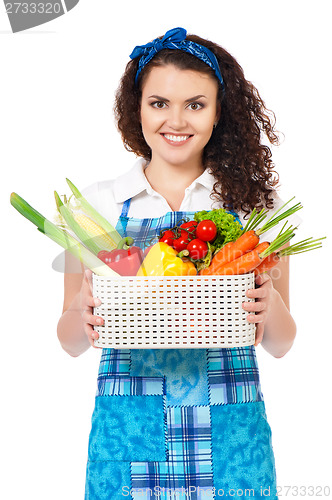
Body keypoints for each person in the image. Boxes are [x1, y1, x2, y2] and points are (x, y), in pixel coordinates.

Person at [57, 27, 297, 499]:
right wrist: (82, 311)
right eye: (159, 103)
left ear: (218, 112)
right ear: (137, 108)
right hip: (128, 436)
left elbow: (283, 344)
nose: (177, 120)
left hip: (232, 439)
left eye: (196, 104)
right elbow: (67, 342)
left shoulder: (255, 205)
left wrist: (268, 306)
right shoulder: (97, 205)